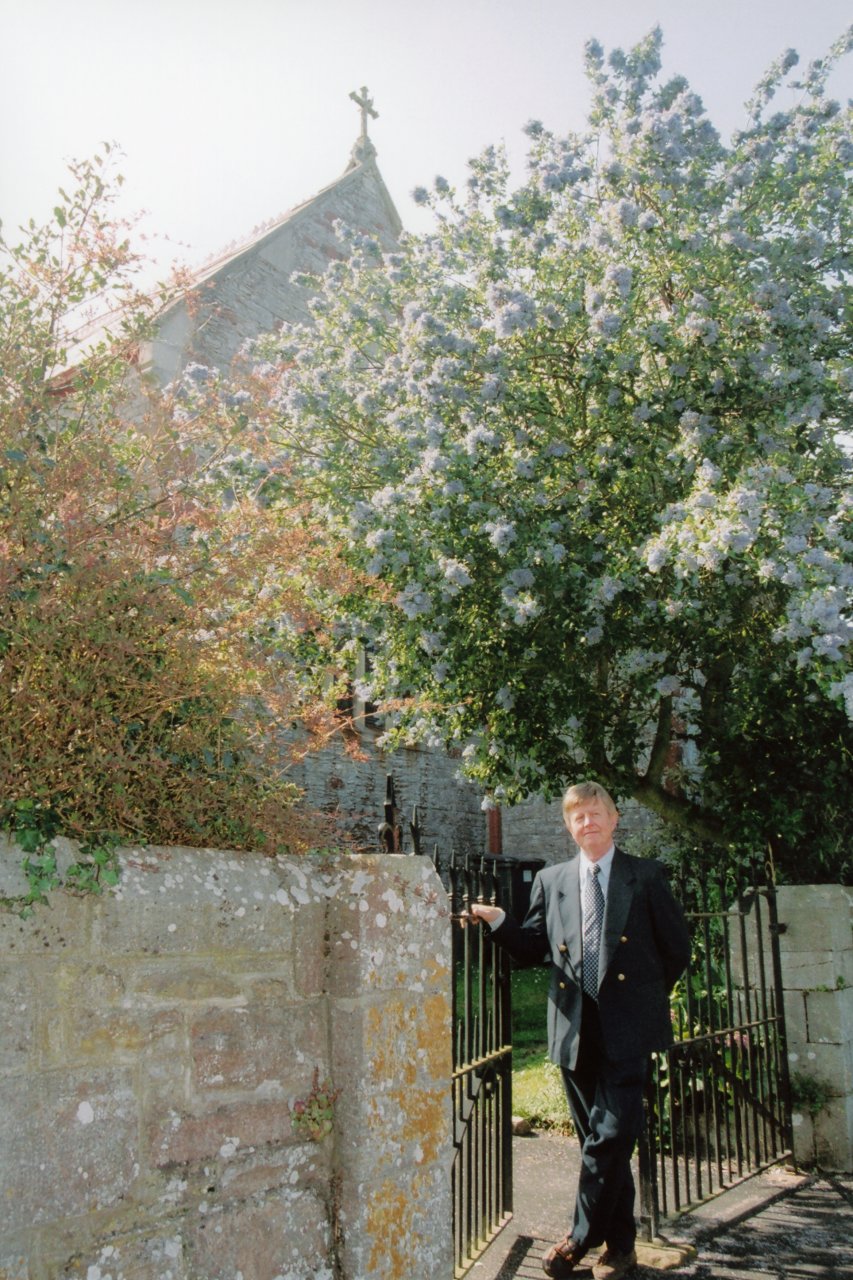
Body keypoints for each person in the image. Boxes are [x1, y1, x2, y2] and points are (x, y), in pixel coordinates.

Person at [469, 781, 690, 1280]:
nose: (587, 823)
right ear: (568, 826)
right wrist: (497, 919)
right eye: (578, 817)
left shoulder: (646, 876)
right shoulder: (552, 880)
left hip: (628, 1030)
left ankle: (577, 1239)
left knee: (610, 1138)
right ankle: (621, 1248)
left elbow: (676, 950)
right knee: (601, 1141)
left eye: (596, 814)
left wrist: (639, 1001)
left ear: (614, 820)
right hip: (573, 1030)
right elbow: (531, 947)